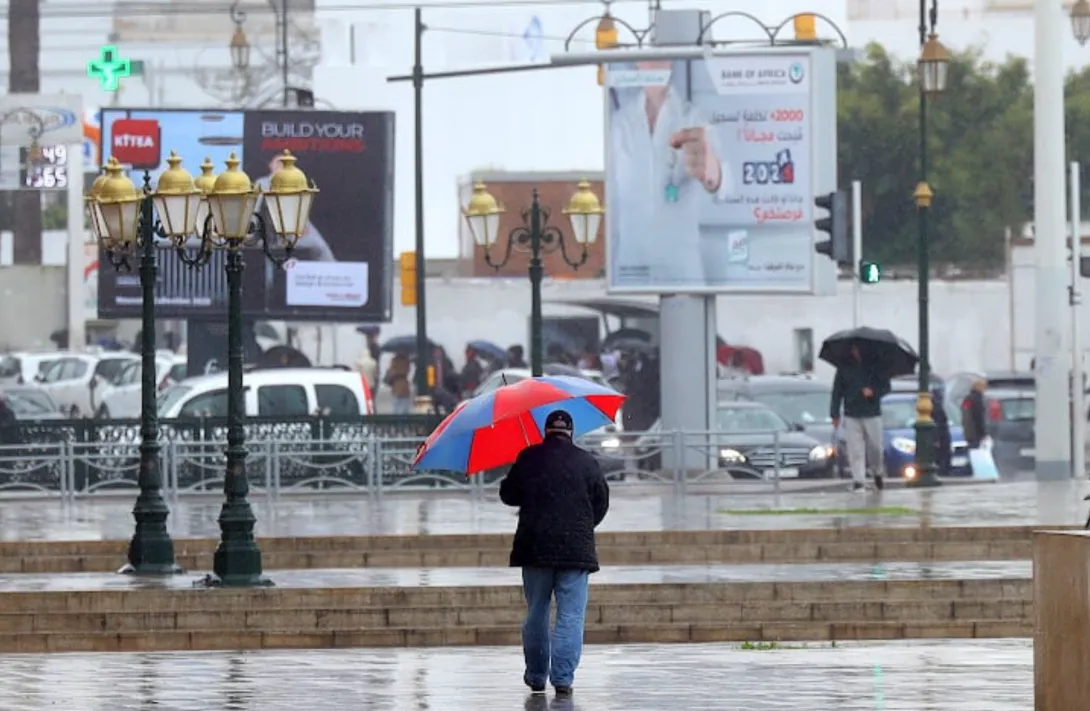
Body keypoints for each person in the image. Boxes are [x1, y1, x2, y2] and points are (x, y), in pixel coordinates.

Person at [499, 410, 610, 699]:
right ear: (571, 432)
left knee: (537, 610)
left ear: (545, 431)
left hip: (535, 547)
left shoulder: (528, 457)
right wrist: (582, 526)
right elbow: (601, 503)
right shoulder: (587, 462)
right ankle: (562, 678)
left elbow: (508, 495)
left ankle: (536, 676)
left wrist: (521, 475)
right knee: (571, 615)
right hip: (576, 550)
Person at [608, 60, 734, 287]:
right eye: (647, 59)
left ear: (670, 65)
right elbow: (611, 203)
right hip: (631, 270)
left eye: (660, 58)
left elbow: (726, 186)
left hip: (681, 271)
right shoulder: (619, 125)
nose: (652, 66)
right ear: (637, 64)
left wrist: (711, 171)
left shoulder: (694, 119)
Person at [829, 342, 891, 492]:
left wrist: (873, 392)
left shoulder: (875, 365)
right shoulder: (844, 367)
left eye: (858, 348)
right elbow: (837, 391)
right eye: (853, 348)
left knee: (875, 447)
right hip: (851, 413)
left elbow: (886, 387)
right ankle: (858, 480)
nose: (855, 351)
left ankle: (877, 471)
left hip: (872, 413)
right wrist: (835, 413)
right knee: (855, 449)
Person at [961, 379, 988, 450]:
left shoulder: (968, 398)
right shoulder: (977, 399)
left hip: (968, 431)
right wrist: (983, 432)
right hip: (976, 432)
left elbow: (965, 414)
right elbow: (979, 417)